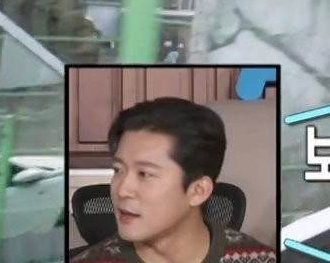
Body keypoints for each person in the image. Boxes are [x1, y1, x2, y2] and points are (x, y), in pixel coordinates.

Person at [71, 97, 277, 263]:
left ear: (198, 191)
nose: (122, 190)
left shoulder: (261, 259)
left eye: (145, 174)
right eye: (118, 170)